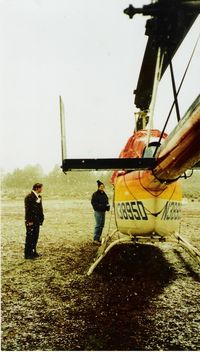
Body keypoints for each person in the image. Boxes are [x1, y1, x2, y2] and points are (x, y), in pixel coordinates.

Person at [24, 183, 44, 259]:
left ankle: (33, 251)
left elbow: (39, 209)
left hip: (36, 220)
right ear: (36, 188)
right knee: (30, 237)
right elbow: (28, 210)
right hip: (31, 221)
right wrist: (29, 221)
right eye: (41, 188)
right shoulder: (29, 197)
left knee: (35, 237)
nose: (42, 190)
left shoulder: (38, 197)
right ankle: (27, 254)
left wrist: (41, 218)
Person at [91, 180, 110, 245]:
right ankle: (95, 239)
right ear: (98, 187)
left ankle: (98, 238)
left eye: (103, 186)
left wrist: (107, 207)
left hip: (103, 212)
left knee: (102, 225)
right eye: (101, 186)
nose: (102, 187)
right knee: (98, 225)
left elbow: (107, 202)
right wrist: (102, 206)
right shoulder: (95, 194)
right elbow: (94, 204)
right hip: (98, 212)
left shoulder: (104, 194)